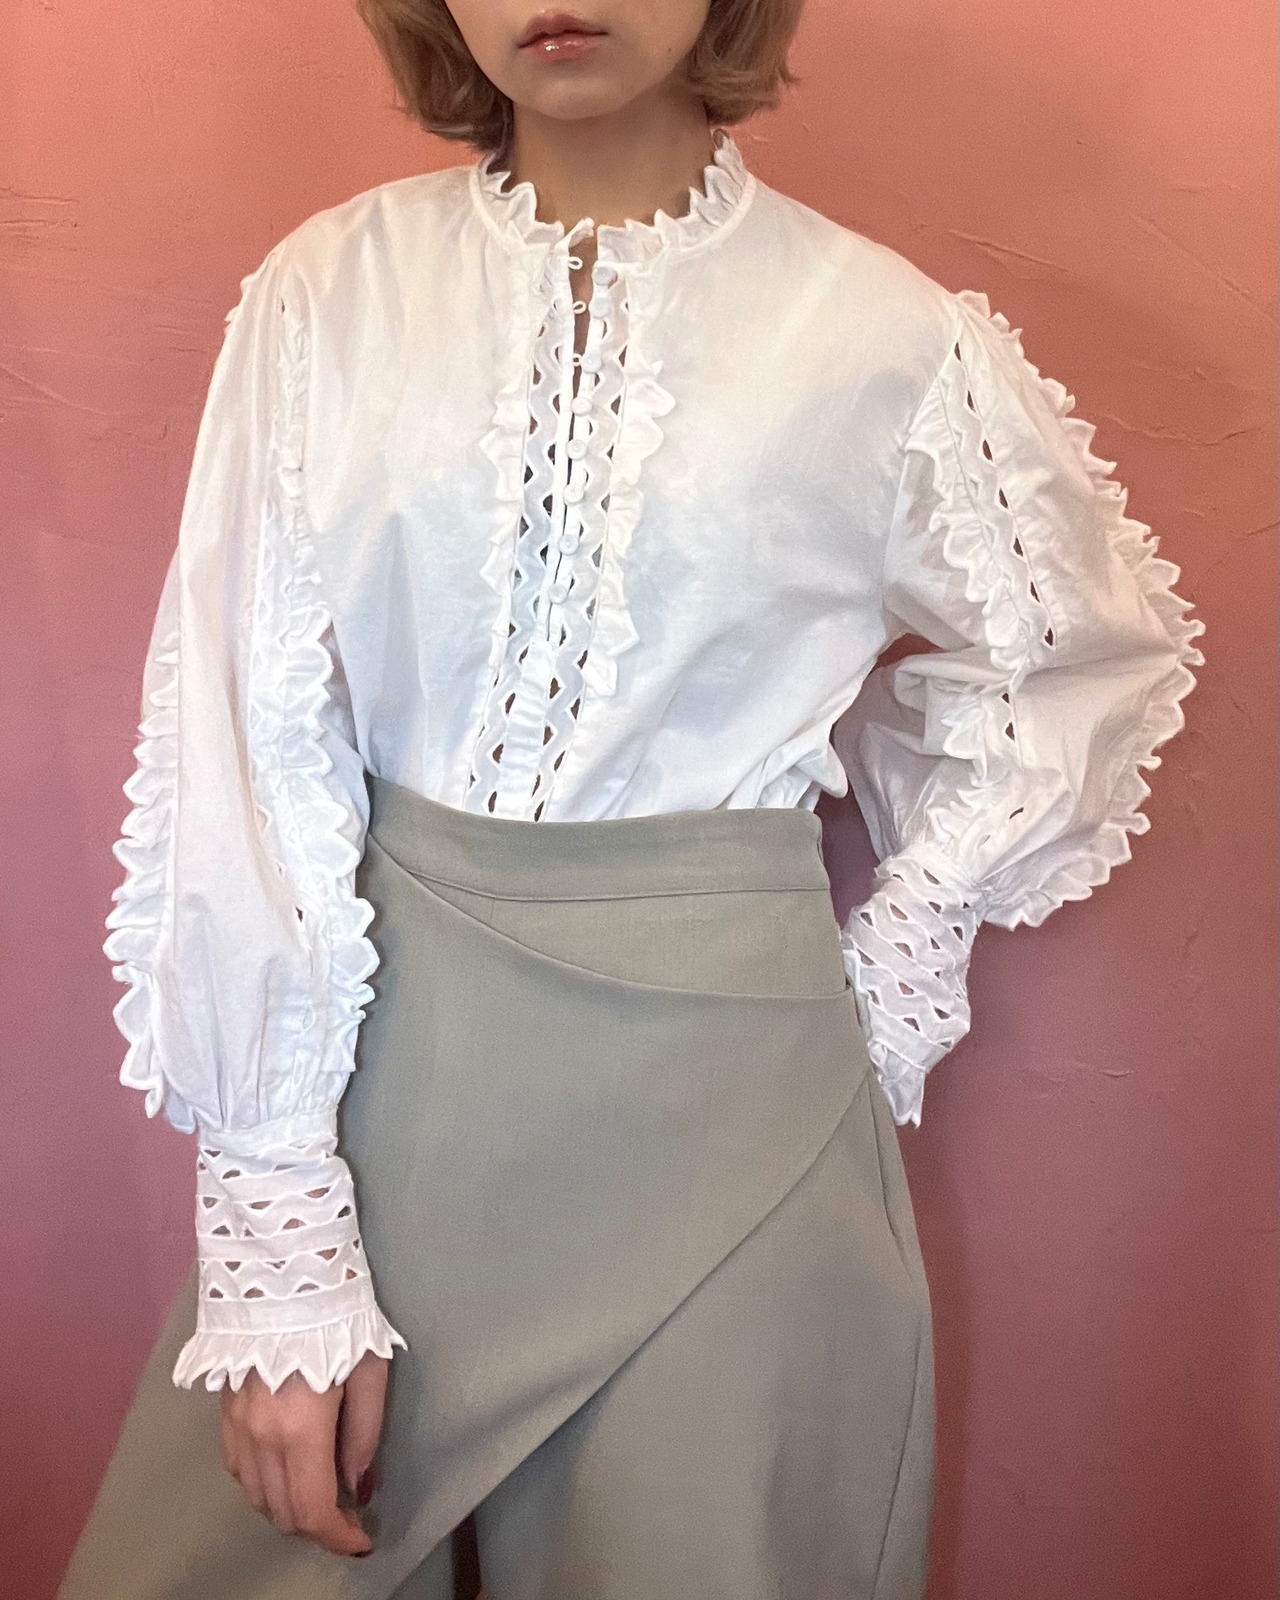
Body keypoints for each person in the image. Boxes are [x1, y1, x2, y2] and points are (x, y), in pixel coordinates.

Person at [58, 2, 1205, 1597]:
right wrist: (275, 1229)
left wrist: (895, 963)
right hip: (385, 1085)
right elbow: (248, 730)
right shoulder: (332, 293)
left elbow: (1079, 654)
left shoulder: (884, 338)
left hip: (742, 1116)